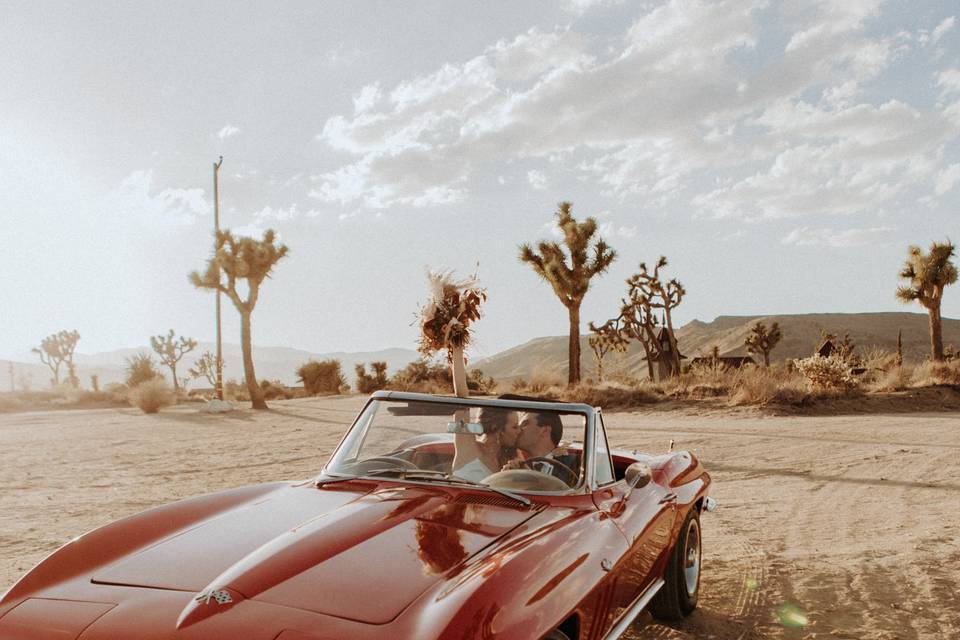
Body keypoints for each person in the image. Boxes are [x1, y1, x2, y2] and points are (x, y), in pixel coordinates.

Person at [506, 411, 579, 484]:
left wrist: (530, 477)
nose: (519, 430)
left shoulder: (574, 464)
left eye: (525, 424)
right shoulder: (516, 465)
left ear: (544, 431)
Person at [451, 407, 521, 483]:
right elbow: (461, 411)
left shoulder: (510, 459)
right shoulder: (468, 448)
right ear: (497, 429)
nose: (519, 431)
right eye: (515, 427)